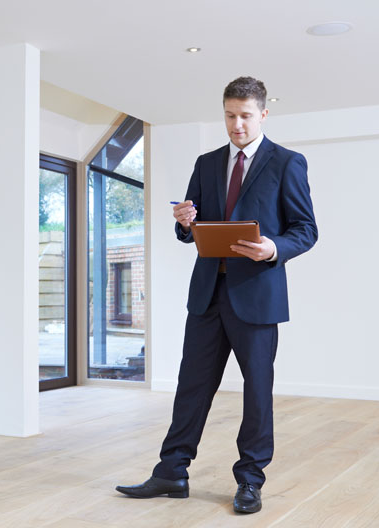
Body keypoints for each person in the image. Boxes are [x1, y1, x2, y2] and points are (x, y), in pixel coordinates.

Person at [115, 76, 318, 514]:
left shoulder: (287, 163)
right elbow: (190, 227)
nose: (237, 125)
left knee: (256, 391)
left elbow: (306, 230)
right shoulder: (207, 163)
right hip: (208, 294)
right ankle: (171, 472)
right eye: (229, 115)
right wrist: (185, 221)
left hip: (258, 296)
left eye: (245, 116)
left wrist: (272, 249)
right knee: (192, 386)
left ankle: (250, 480)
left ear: (264, 113)